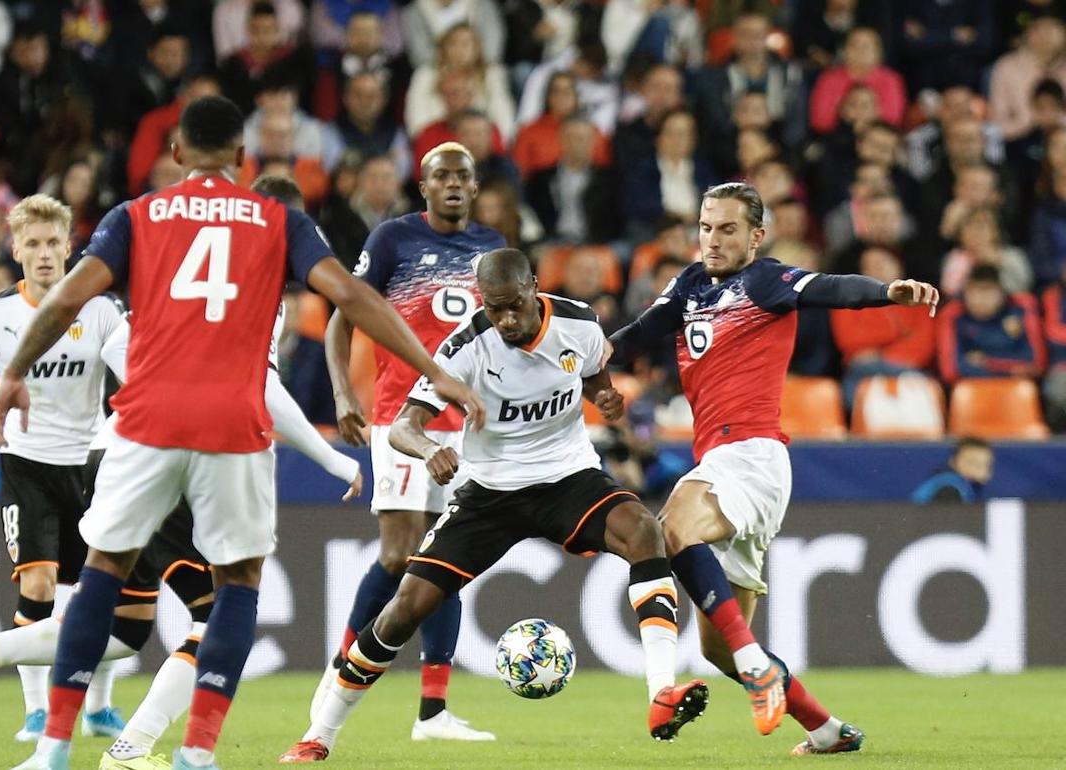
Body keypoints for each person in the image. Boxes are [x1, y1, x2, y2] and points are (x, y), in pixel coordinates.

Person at [0, 95, 482, 770]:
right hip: (234, 425)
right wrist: (434, 372)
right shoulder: (280, 220)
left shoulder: (137, 215)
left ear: (177, 155)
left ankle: (52, 750)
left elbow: (68, 296)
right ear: (243, 158)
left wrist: (12, 372)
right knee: (236, 583)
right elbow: (353, 298)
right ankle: (197, 752)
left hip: (146, 420)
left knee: (102, 570)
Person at [279, 249, 707, 763]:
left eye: (514, 306)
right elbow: (404, 426)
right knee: (405, 609)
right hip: (489, 492)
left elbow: (592, 374)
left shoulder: (581, 323)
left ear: (534, 286)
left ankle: (661, 692)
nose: (505, 320)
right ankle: (318, 735)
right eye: (494, 307)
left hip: (566, 477)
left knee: (642, 528)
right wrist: (430, 448)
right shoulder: (465, 345)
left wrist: (605, 397)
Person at [606, 182, 939, 754]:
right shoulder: (687, 285)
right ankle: (827, 730)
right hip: (728, 464)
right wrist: (577, 362)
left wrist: (887, 291)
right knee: (719, 649)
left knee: (672, 528)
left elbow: (831, 288)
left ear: (757, 236)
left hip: (751, 454)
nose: (712, 240)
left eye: (728, 229)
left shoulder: (765, 281)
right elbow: (635, 336)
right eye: (707, 227)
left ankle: (757, 665)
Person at [317, 141, 504, 743]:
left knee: (446, 559)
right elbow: (343, 316)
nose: (452, 184)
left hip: (472, 424)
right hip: (403, 417)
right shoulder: (393, 240)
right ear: (423, 187)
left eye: (462, 176)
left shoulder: (492, 247)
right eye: (440, 175)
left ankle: (433, 711)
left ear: (475, 188)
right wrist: (344, 394)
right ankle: (340, 667)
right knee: (400, 555)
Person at [0, 194, 130, 743]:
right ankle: (38, 712)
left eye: (53, 243)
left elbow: (128, 382)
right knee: (39, 585)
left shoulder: (99, 310)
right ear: (15, 248)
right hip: (27, 465)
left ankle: (99, 708)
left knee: (104, 588)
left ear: (69, 247)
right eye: (33, 244)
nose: (44, 254)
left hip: (91, 464)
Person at [910, 436, 994, 503]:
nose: (978, 468)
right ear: (953, 462)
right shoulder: (950, 487)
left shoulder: (968, 488)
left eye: (984, 464)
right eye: (971, 462)